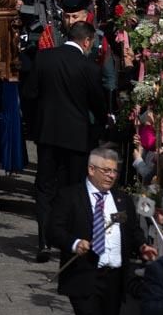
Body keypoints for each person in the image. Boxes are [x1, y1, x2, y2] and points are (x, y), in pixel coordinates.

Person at [25, 21, 106, 264]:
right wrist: (98, 129)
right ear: (87, 41)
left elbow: (29, 94)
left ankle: (43, 240)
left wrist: (36, 124)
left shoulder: (44, 58)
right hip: (76, 137)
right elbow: (98, 106)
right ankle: (69, 240)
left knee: (45, 187)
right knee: (72, 188)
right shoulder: (89, 67)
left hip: (48, 135)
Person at [49, 146, 154, 315]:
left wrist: (142, 246)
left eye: (114, 171)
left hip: (114, 278)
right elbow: (54, 230)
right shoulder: (70, 196)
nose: (111, 176)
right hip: (85, 275)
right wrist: (74, 243)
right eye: (106, 170)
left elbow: (132, 230)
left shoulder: (122, 199)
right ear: (91, 169)